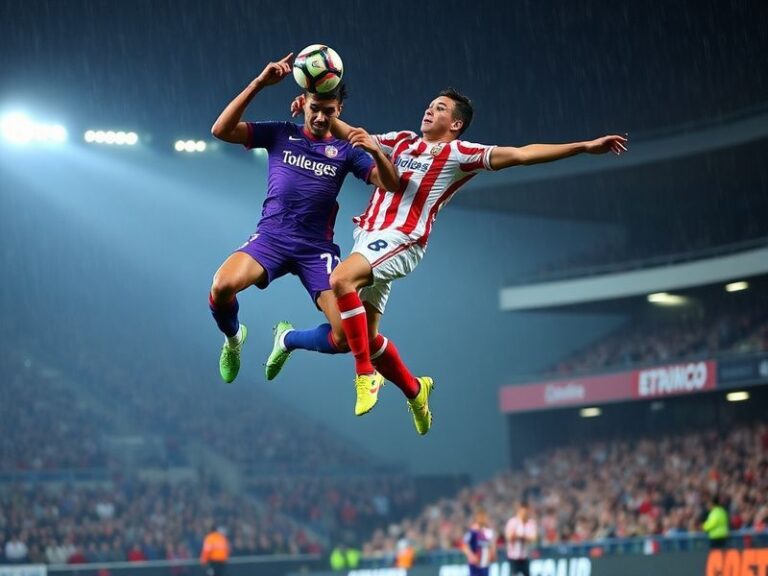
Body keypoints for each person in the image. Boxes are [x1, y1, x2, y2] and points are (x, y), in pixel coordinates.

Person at [276, 88, 627, 434]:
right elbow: (353, 134)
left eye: (440, 108)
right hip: (368, 238)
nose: (429, 110)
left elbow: (521, 154)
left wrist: (583, 146)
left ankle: (365, 375)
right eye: (429, 105)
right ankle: (411, 389)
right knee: (352, 339)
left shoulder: (460, 153)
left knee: (341, 280)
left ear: (455, 123)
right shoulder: (401, 141)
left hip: (403, 239)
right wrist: (317, 109)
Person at [208, 53, 398, 383]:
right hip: (272, 238)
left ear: (339, 112)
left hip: (315, 250)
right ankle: (234, 338)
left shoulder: (348, 149)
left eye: (329, 111)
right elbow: (221, 130)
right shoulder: (281, 133)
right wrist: (258, 84)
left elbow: (390, 184)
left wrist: (375, 151)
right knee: (222, 286)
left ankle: (288, 339)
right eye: (315, 109)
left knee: (346, 339)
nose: (321, 117)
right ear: (303, 104)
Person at [505, 502, 537, 576]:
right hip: (513, 557)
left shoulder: (531, 523)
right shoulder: (512, 522)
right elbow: (508, 537)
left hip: (525, 556)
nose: (524, 513)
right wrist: (520, 536)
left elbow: (533, 538)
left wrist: (522, 536)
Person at [462, 510, 497, 576]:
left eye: (484, 517)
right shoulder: (473, 531)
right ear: (477, 518)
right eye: (481, 517)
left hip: (485, 565)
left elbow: (492, 545)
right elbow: (464, 545)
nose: (483, 519)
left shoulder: (489, 532)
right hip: (475, 566)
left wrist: (493, 554)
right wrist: (471, 556)